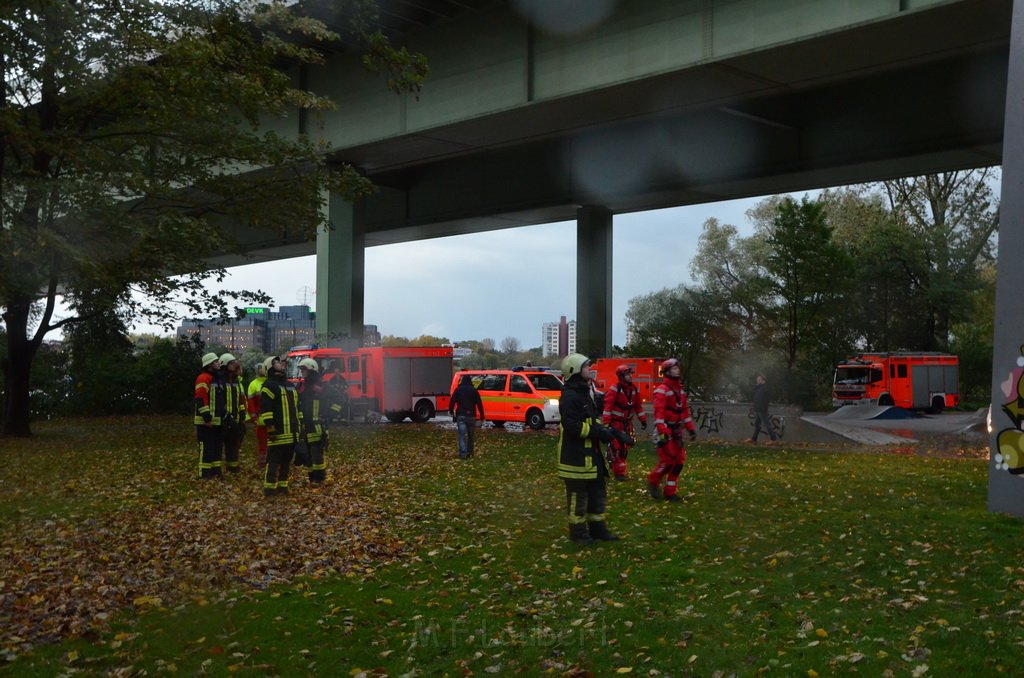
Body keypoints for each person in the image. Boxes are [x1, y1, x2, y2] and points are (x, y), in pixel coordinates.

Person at [557, 353, 633, 545]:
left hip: (592, 457)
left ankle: (598, 530)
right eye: (586, 367)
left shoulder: (585, 392)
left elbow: (593, 421)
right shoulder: (570, 396)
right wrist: (598, 433)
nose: (590, 370)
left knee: (597, 494)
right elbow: (573, 427)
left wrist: (614, 433)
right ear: (574, 371)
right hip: (576, 458)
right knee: (578, 499)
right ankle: (579, 534)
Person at [647, 358, 697, 502]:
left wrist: (691, 429)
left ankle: (670, 491)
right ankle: (653, 481)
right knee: (667, 461)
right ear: (667, 371)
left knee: (679, 461)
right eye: (674, 369)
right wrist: (663, 432)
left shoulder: (679, 390)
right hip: (665, 431)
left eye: (677, 368)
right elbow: (659, 413)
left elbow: (685, 412)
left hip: (676, 431)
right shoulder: (662, 390)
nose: (678, 371)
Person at [258, 355, 302, 496]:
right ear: (270, 367)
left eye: (281, 362)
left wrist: (301, 426)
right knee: (274, 461)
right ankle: (269, 488)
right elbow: (266, 409)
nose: (282, 363)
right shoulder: (269, 385)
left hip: (292, 432)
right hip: (278, 432)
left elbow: (297, 408)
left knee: (286, 461)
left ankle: (283, 486)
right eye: (277, 362)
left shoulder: (289, 385)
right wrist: (270, 428)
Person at [601, 364, 648, 481]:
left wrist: (643, 420)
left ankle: (618, 468)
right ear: (621, 376)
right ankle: (619, 473)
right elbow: (608, 408)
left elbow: (638, 407)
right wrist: (606, 424)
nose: (630, 377)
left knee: (625, 448)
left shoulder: (634, 390)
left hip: (627, 424)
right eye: (627, 375)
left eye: (630, 374)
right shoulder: (614, 389)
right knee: (618, 447)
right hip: (616, 425)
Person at [297, 357, 339, 484]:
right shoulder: (300, 386)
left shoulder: (322, 385)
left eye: (304, 369)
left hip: (318, 426)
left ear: (312, 370)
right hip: (304, 426)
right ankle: (312, 477)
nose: (302, 372)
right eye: (301, 370)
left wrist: (329, 413)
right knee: (307, 454)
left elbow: (340, 399)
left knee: (317, 454)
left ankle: (319, 478)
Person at [194, 352, 225, 479]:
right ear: (209, 364)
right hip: (205, 422)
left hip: (216, 421)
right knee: (206, 448)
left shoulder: (216, 379)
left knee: (216, 448)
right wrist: (207, 418)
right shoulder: (203, 378)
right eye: (216, 361)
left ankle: (215, 472)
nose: (219, 363)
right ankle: (204, 474)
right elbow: (201, 399)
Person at [220, 353, 247, 474]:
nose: (234, 365)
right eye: (231, 363)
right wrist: (227, 416)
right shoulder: (220, 380)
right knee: (219, 445)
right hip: (223, 419)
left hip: (235, 419)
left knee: (233, 446)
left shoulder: (236, 381)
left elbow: (240, 401)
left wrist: (242, 417)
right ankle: (216, 469)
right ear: (225, 365)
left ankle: (233, 468)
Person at [448, 374, 485, 459]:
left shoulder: (458, 390)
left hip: (461, 415)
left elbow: (452, 401)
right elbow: (479, 404)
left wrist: (451, 411)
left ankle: (463, 453)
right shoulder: (474, 391)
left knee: (461, 435)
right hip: (471, 416)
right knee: (471, 435)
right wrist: (482, 416)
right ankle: (470, 452)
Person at [246, 360, 269, 466]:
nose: (260, 370)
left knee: (271, 441)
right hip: (260, 420)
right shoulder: (253, 384)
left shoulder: (268, 382)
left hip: (268, 418)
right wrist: (254, 417)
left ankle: (269, 460)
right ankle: (263, 461)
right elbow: (250, 404)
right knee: (262, 442)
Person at [751, 374, 779, 443]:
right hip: (757, 409)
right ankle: (754, 439)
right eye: (757, 380)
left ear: (763, 380)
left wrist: (763, 407)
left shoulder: (765, 388)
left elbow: (766, 399)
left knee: (767, 424)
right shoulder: (759, 388)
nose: (757, 381)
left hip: (762, 410)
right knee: (757, 425)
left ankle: (773, 439)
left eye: (759, 380)